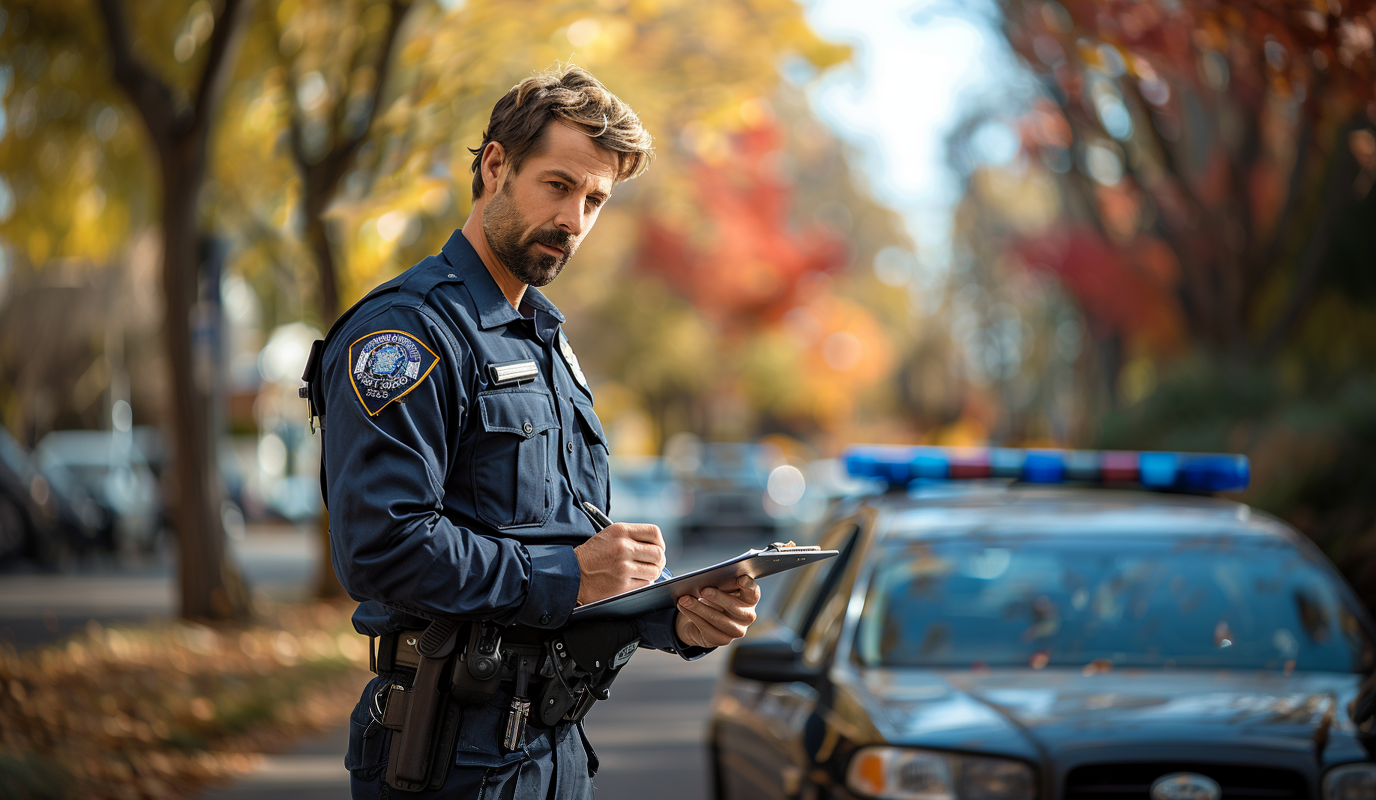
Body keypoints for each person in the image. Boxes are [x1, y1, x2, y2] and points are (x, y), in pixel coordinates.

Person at [306, 64, 762, 799]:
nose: (574, 221)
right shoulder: (406, 334)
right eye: (558, 185)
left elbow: (561, 553)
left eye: (595, 200)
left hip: (552, 750)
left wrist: (671, 618)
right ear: (495, 166)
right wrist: (570, 576)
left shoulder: (542, 339)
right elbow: (381, 547)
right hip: (447, 757)